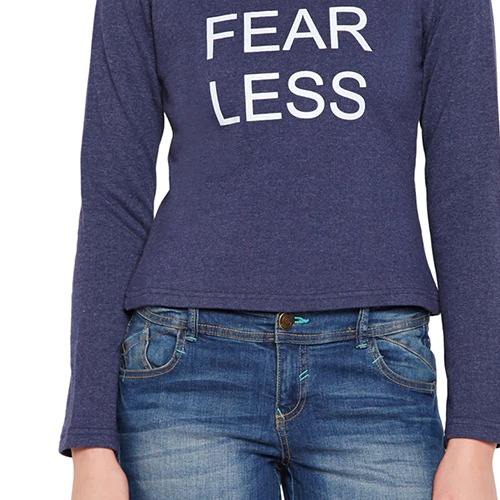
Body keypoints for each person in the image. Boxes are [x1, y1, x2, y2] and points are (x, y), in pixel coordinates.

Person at [61, 1, 500, 499]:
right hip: (184, 365)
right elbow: (112, 200)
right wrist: (91, 443)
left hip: (377, 368)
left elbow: (470, 194)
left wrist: (475, 438)